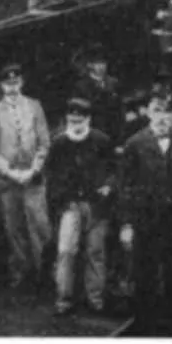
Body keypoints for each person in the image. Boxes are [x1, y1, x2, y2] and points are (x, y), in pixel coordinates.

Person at [118, 86, 172, 336]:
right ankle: (145, 325)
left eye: (168, 112)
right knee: (146, 276)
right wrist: (126, 225)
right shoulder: (134, 144)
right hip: (146, 223)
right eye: (157, 111)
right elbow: (125, 188)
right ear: (148, 113)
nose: (163, 118)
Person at [0, 63, 52, 291]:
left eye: (15, 83)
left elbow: (44, 142)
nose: (11, 88)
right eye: (7, 84)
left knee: (39, 225)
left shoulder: (34, 106)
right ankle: (22, 274)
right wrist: (10, 172)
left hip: (33, 178)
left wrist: (34, 169)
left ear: (21, 83)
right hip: (8, 181)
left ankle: (45, 273)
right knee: (14, 228)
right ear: (1, 86)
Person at [47, 98, 116, 316]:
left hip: (97, 206)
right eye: (72, 119)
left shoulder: (102, 141)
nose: (76, 123)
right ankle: (64, 299)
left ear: (88, 119)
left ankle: (95, 299)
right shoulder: (59, 143)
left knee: (95, 252)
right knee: (66, 252)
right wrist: (62, 201)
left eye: (80, 119)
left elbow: (115, 171)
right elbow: (51, 175)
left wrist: (108, 186)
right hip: (70, 206)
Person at [72, 45, 122, 143]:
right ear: (90, 65)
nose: (101, 67)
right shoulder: (81, 86)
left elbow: (120, 110)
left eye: (103, 64)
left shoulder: (113, 83)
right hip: (93, 132)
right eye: (97, 64)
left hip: (113, 132)